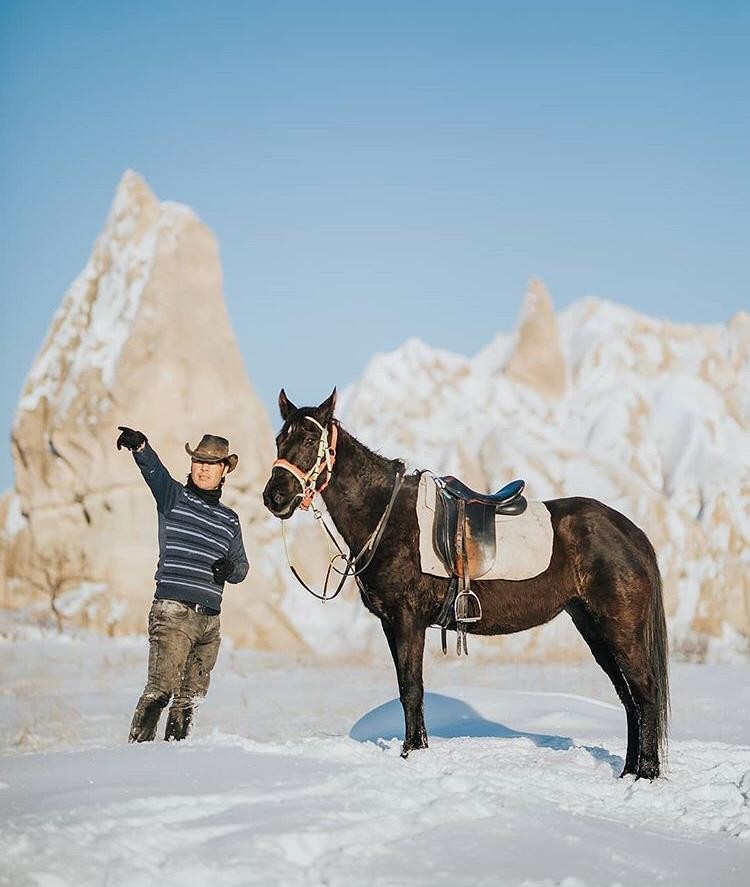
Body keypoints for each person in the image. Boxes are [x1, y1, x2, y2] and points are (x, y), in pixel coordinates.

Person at [117, 426, 249, 742]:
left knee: (189, 701)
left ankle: (173, 763)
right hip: (173, 612)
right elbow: (155, 473)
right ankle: (136, 757)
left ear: (224, 470)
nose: (203, 467)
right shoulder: (174, 496)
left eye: (212, 463)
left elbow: (242, 568)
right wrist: (142, 448)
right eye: (199, 461)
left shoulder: (229, 520)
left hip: (209, 624)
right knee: (161, 691)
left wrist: (230, 568)